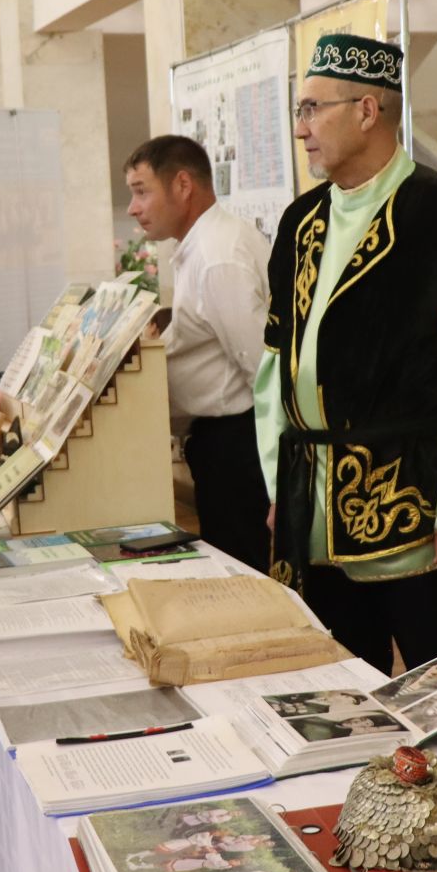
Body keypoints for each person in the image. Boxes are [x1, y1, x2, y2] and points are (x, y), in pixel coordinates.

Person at [255, 34, 437, 743]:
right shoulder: (301, 221)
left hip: (417, 508)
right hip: (313, 505)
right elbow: (274, 366)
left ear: (368, 109)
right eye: (299, 109)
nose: (302, 126)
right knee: (334, 697)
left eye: (313, 107)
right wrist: (281, 483)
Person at [126, 135, 273, 571]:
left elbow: (263, 371)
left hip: (239, 444)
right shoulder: (198, 247)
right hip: (220, 441)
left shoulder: (217, 256)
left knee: (241, 578)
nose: (133, 208)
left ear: (183, 185)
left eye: (140, 191)